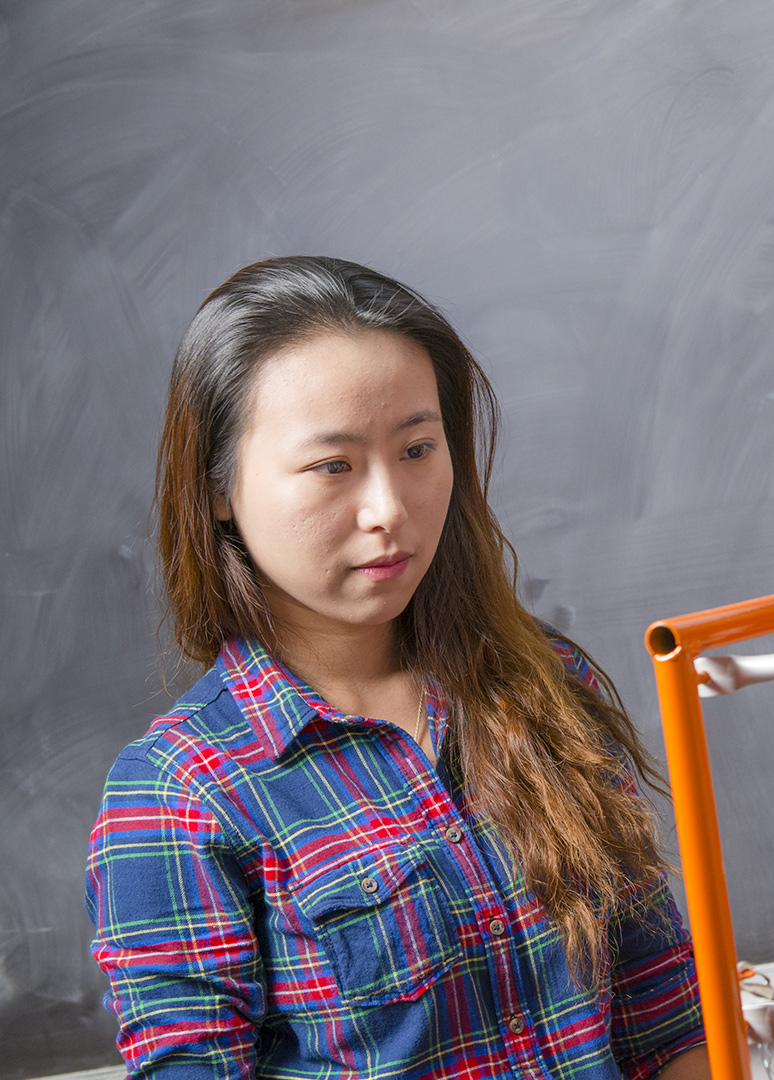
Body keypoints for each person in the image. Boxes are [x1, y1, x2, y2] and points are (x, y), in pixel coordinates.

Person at [86, 257, 709, 1078]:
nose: (389, 509)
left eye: (418, 448)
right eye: (332, 466)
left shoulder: (542, 686)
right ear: (218, 488)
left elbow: (664, 1013)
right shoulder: (179, 795)